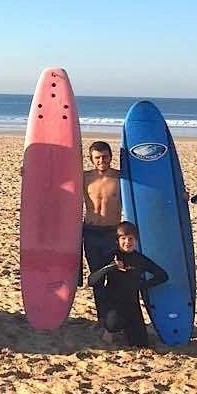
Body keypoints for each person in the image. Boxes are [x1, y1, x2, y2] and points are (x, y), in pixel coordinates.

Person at [87, 221, 167, 348]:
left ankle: (126, 330)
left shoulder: (140, 259)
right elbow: (91, 280)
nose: (127, 242)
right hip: (113, 305)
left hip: (132, 306)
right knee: (113, 325)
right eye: (123, 239)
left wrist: (141, 286)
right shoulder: (111, 256)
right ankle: (108, 331)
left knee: (141, 344)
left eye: (131, 239)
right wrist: (111, 266)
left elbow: (163, 276)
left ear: (136, 240)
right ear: (117, 240)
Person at [82, 140, 122, 326]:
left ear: (111, 156)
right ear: (91, 159)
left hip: (112, 234)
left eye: (105, 156)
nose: (101, 160)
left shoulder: (121, 178)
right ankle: (101, 318)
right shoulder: (84, 177)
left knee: (114, 278)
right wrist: (28, 173)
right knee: (97, 277)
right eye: (97, 157)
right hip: (90, 232)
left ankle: (114, 319)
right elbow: (55, 184)